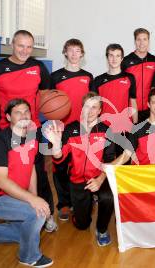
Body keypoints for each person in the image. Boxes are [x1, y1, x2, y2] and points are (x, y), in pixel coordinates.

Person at [0, 29, 56, 232]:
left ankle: (47, 213)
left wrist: (33, 117)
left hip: (33, 130)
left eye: (29, 46)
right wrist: (1, 118)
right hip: (6, 129)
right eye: (20, 45)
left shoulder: (38, 67)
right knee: (9, 174)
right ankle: (14, 212)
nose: (25, 50)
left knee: (39, 172)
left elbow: (46, 95)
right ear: (12, 44)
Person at [0, 99, 53, 267]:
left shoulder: (31, 138)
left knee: (24, 231)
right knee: (37, 215)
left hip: (17, 196)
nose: (23, 115)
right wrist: (32, 201)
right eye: (17, 112)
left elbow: (31, 170)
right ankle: (28, 256)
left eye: (26, 111)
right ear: (8, 117)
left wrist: (34, 197)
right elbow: (1, 181)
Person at [44, 92, 116, 246]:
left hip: (99, 177)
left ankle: (102, 229)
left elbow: (110, 161)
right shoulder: (71, 129)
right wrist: (56, 146)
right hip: (78, 180)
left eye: (94, 107)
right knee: (82, 225)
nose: (89, 111)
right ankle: (85, 204)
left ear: (99, 111)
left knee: (108, 197)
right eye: (86, 107)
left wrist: (100, 179)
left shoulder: (106, 130)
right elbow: (59, 158)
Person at [50, 38, 94, 221]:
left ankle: (82, 200)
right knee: (59, 166)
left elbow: (92, 102)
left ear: (82, 54)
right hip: (61, 128)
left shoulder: (88, 76)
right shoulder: (55, 76)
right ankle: (64, 204)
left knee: (79, 166)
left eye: (78, 51)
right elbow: (49, 103)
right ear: (65, 52)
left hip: (82, 127)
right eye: (71, 50)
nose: (74, 54)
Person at [111, 88, 155, 165]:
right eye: (154, 103)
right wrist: (109, 166)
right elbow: (126, 155)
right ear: (148, 104)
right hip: (140, 174)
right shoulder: (137, 128)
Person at [93, 44, 137, 156]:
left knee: (124, 161)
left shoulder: (130, 78)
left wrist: (135, 125)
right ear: (107, 57)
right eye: (111, 55)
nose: (114, 59)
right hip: (105, 127)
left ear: (122, 58)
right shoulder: (98, 80)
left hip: (124, 126)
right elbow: (94, 106)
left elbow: (133, 102)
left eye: (117, 56)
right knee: (108, 162)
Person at [121, 28, 155, 122]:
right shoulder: (126, 61)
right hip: (131, 110)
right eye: (139, 39)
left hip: (150, 110)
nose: (141, 43)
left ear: (148, 41)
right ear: (135, 41)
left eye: (144, 39)